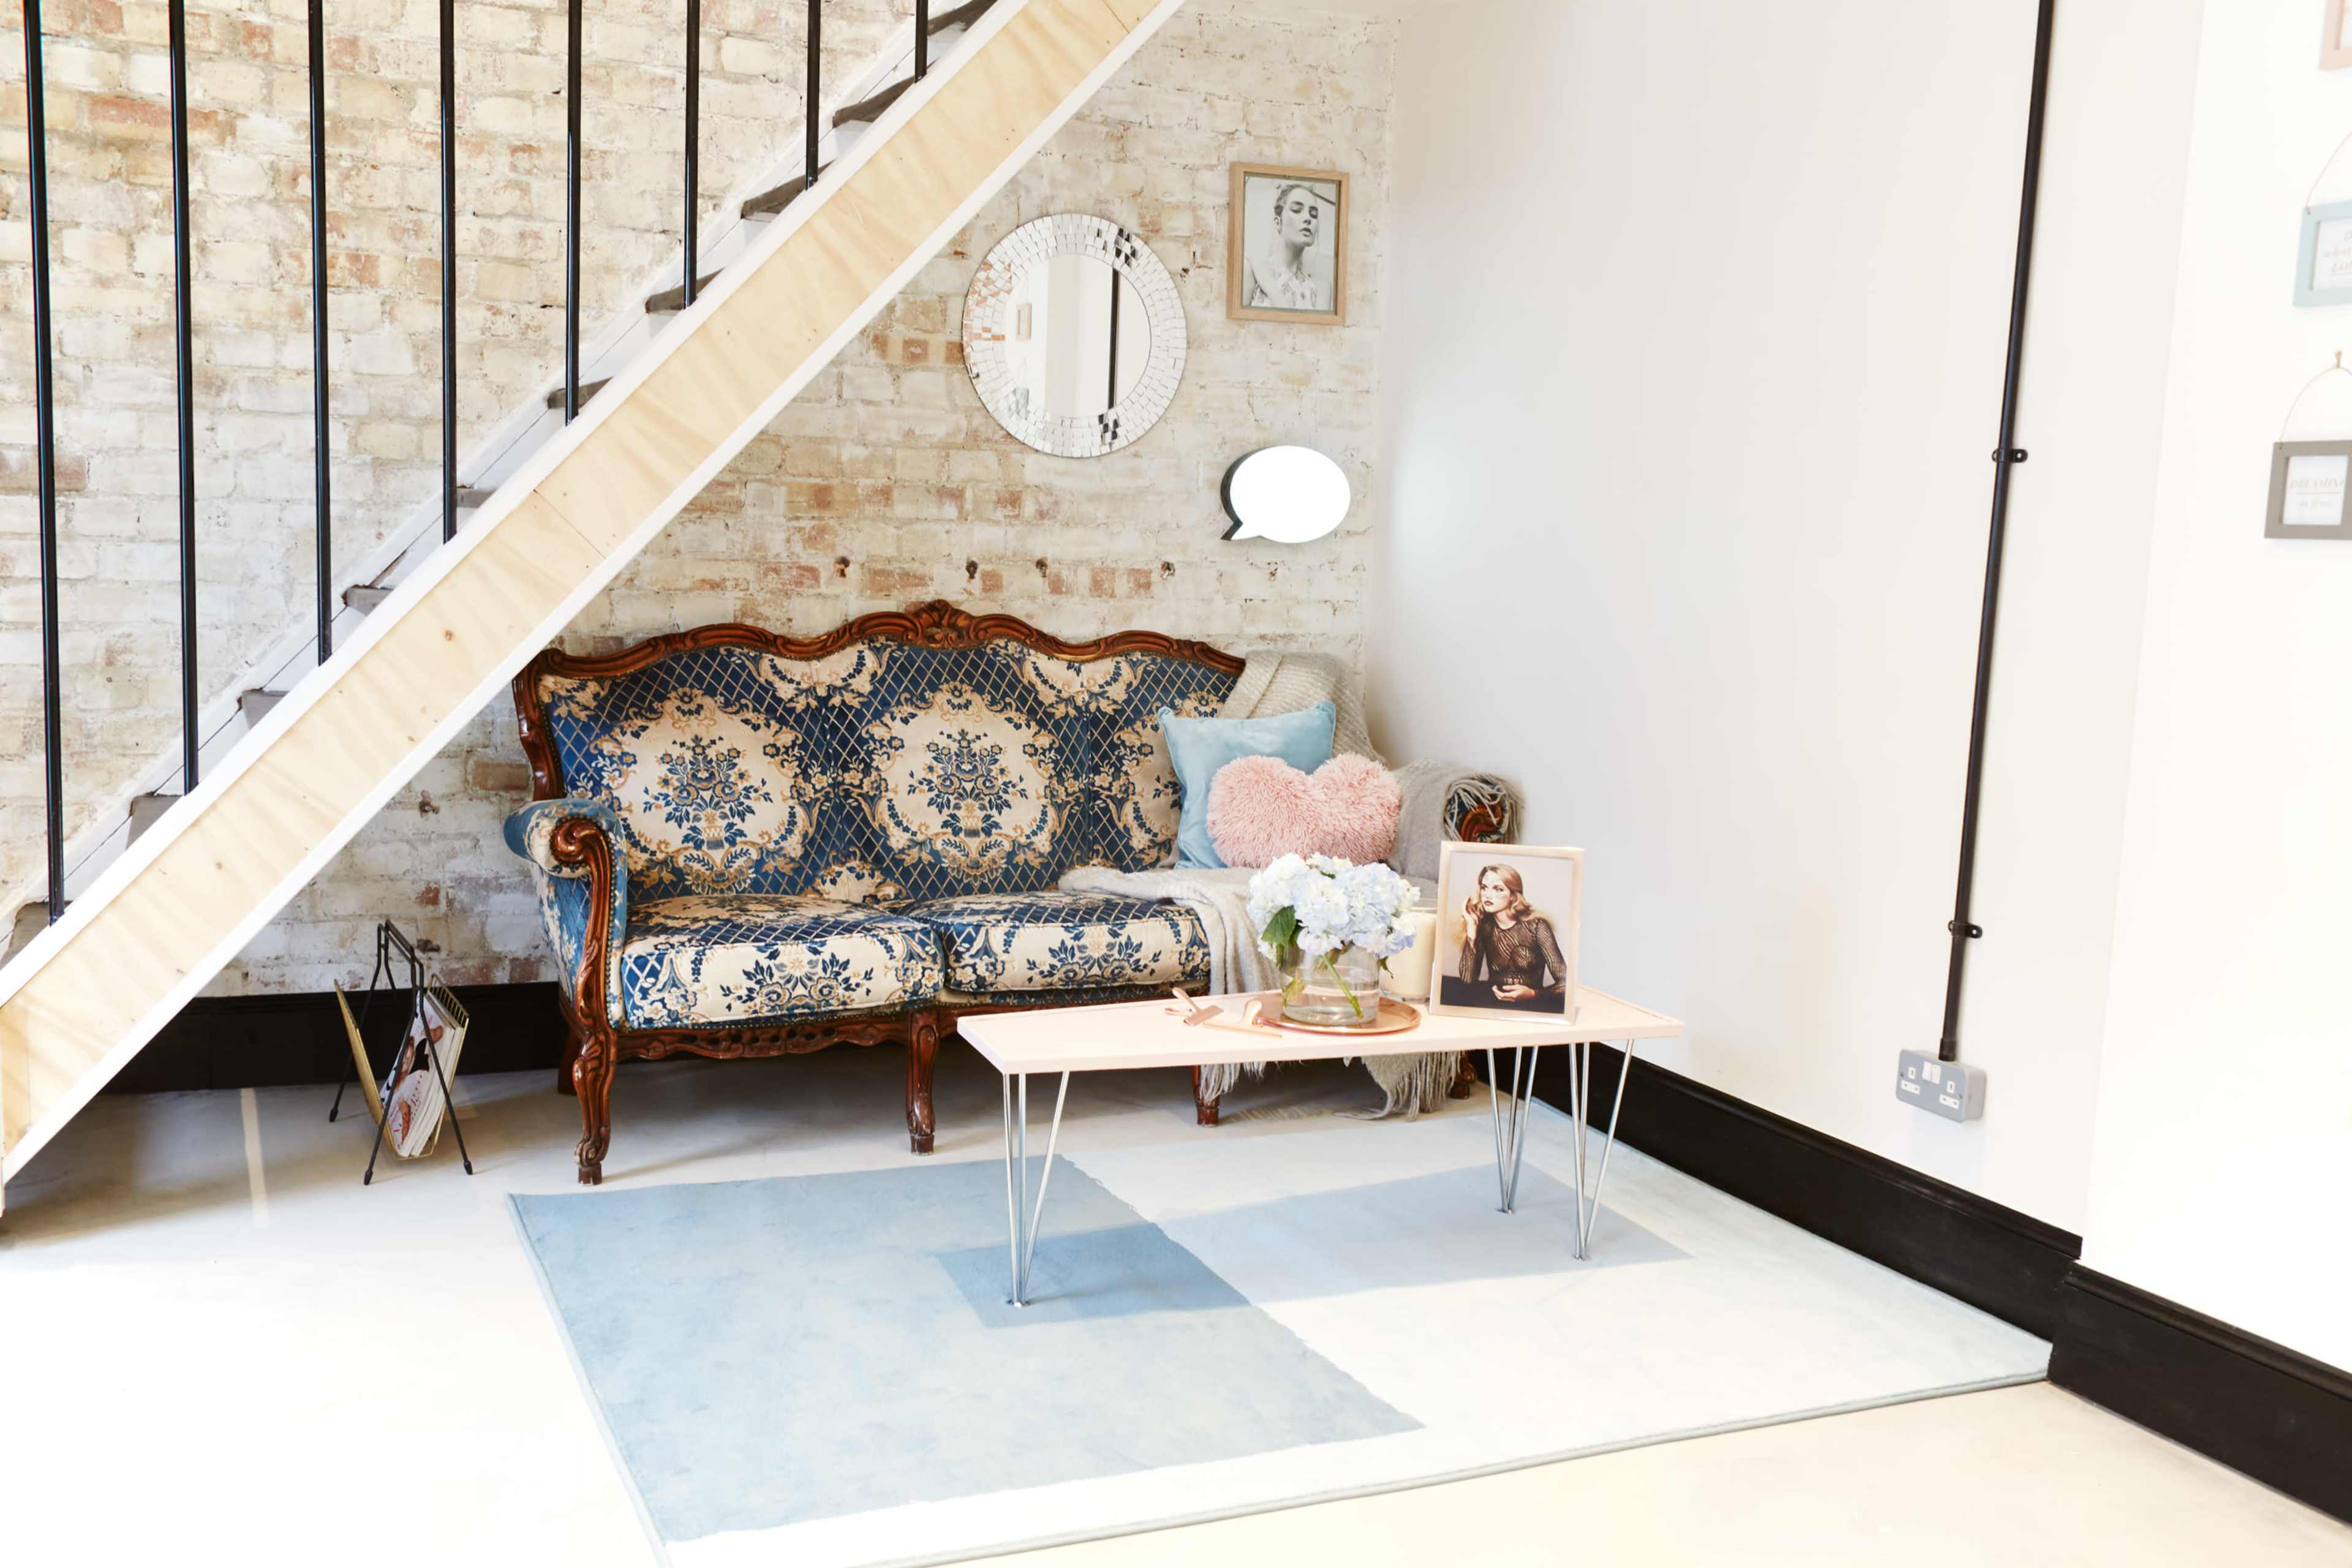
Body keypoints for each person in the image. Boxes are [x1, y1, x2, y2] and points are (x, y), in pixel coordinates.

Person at [1441, 864, 1567, 1013]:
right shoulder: (1485, 926)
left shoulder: (1537, 927)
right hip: (1492, 1004)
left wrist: (1533, 994)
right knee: (1444, 987)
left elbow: (1566, 984)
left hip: (1530, 1007)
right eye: (1484, 887)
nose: (1487, 895)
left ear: (1513, 895)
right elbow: (1468, 981)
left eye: (1498, 889)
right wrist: (1472, 930)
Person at [1242, 180, 1335, 311]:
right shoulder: (1251, 271)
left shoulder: (1322, 289)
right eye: (1297, 210)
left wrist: (1272, 289)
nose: (1308, 218)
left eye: (1313, 214)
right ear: (1278, 223)